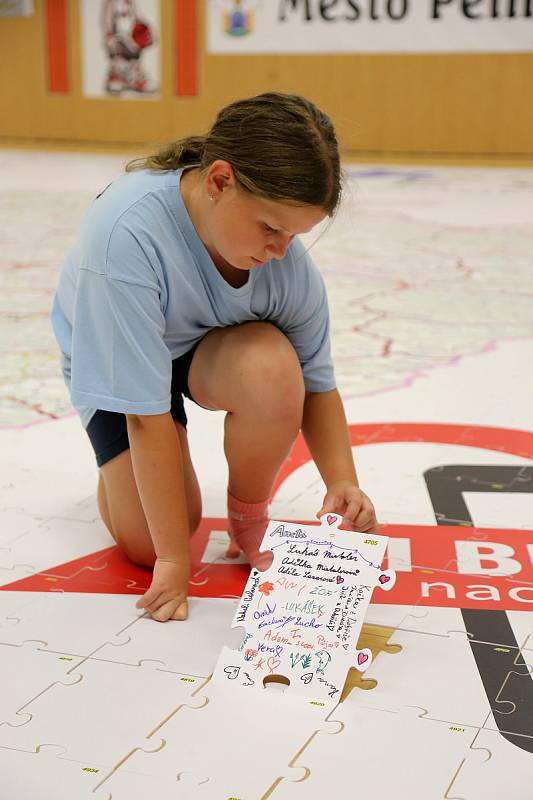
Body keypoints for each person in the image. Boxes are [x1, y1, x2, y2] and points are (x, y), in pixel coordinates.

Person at [50, 92, 378, 624]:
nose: (280, 250)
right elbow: (144, 409)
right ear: (219, 181)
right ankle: (116, 472)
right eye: (270, 228)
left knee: (272, 368)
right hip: (121, 352)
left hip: (203, 345)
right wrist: (176, 559)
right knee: (154, 544)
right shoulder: (126, 234)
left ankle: (249, 518)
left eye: (295, 236)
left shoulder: (286, 263)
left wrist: (342, 479)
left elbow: (316, 384)